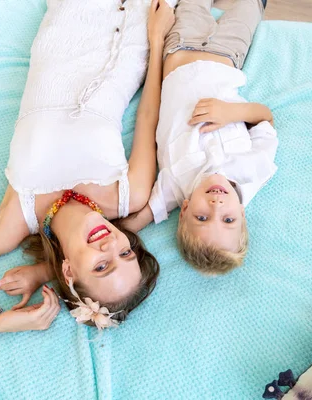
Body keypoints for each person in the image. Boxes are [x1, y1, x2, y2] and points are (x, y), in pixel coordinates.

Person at [0, 0, 176, 333]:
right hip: (136, 38)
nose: (112, 245)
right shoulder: (129, 196)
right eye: (126, 254)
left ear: (68, 272)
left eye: (102, 266)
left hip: (71, 25)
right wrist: (156, 38)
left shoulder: (14, 220)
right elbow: (148, 116)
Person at [122, 0, 278, 275]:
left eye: (202, 217)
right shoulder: (256, 170)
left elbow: (129, 227)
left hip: (179, 48)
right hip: (227, 56)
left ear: (183, 210)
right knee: (249, 10)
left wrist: (48, 266)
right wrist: (232, 112)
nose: (216, 206)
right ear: (242, 214)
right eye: (228, 219)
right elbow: (265, 118)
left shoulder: (174, 186)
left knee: (192, 5)